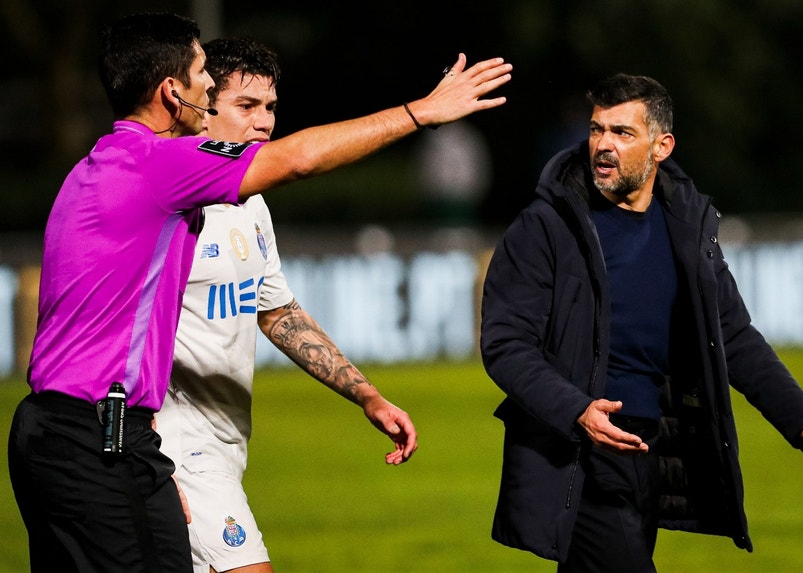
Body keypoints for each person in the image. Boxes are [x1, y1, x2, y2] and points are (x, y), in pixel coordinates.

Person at [7, 11, 511, 572]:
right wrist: (421, 113)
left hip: (73, 434)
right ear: (174, 93)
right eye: (203, 75)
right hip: (114, 437)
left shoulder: (95, 173)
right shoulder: (161, 168)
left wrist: (365, 393)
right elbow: (299, 160)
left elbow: (272, 310)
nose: (209, 84)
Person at [480, 73, 803, 573]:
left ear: (662, 145)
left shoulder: (685, 228)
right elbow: (505, 344)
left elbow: (733, 336)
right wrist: (577, 410)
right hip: (578, 452)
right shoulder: (545, 227)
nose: (603, 145)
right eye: (596, 129)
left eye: (622, 133)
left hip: (648, 450)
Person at [154, 36, 417, 573]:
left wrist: (367, 395)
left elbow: (276, 312)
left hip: (226, 445)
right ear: (202, 105)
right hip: (176, 449)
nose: (264, 122)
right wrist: (148, 459)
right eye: (246, 106)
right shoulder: (165, 199)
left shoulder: (250, 204)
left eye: (270, 107)